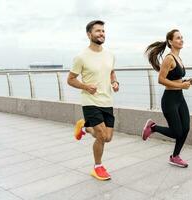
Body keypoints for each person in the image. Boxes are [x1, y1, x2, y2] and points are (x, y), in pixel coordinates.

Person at [67, 20, 119, 180]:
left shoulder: (110, 55)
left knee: (108, 137)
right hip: (90, 101)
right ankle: (98, 167)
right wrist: (85, 86)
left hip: (107, 101)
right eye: (98, 31)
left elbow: (111, 72)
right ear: (89, 34)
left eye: (103, 31)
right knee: (102, 136)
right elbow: (70, 79)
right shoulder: (81, 57)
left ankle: (84, 127)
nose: (101, 34)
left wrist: (114, 82)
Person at [142, 29, 192, 168]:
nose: (181, 40)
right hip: (170, 99)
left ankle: (175, 156)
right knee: (177, 132)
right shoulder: (169, 58)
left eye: (182, 37)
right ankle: (153, 127)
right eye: (178, 38)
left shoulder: (179, 58)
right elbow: (161, 79)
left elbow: (175, 78)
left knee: (186, 128)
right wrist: (182, 85)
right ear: (170, 42)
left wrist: (186, 81)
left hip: (180, 98)